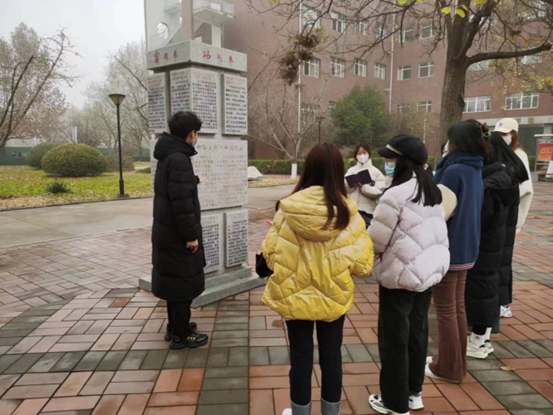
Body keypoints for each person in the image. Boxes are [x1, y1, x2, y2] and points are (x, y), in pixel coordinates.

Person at [262, 143, 374, 415]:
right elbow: (362, 265)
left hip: (294, 296)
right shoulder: (349, 214)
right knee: (332, 358)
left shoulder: (286, 210)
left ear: (307, 169)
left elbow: (271, 257)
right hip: (334, 297)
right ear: (338, 171)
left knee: (300, 359)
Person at [367, 135, 449, 415]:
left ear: (402, 162)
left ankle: (394, 402)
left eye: (390, 159)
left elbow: (377, 240)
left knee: (394, 340)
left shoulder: (395, 194)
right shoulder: (431, 190)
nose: (388, 163)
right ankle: (414, 393)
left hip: (399, 276)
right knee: (417, 333)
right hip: (426, 274)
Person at [426, 120, 489, 383]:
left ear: (457, 143)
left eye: (450, 139)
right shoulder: (475, 169)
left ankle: (448, 368)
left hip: (450, 247)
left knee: (445, 310)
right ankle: (457, 363)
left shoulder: (453, 171)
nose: (447, 144)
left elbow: (439, 212)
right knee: (457, 308)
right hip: (468, 247)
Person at [466, 132, 528, 359]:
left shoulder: (492, 182)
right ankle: (484, 339)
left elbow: (483, 216)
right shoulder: (508, 175)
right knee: (490, 288)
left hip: (487, 244)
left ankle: (478, 341)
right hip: (500, 243)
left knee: (481, 291)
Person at [151, 111, 208, 350]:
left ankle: (175, 327)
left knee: (174, 286)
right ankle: (182, 335)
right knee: (183, 287)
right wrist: (191, 237)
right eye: (196, 133)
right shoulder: (180, 159)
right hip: (178, 237)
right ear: (191, 133)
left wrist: (191, 181)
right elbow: (182, 206)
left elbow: (173, 190)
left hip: (166, 234)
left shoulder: (168, 155)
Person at [493, 118, 534, 319]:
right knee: (495, 260)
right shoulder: (495, 153)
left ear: (514, 134)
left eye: (506, 134)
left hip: (510, 214)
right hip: (496, 214)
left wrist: (518, 220)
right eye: (499, 134)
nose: (502, 138)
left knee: (503, 260)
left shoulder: (519, 156)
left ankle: (504, 303)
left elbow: (526, 190)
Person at [345, 144, 387, 228]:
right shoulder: (351, 171)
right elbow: (345, 189)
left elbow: (379, 192)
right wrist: (352, 184)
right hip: (352, 211)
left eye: (364, 153)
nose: (362, 155)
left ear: (369, 154)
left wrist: (363, 188)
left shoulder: (376, 172)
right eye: (359, 153)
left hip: (368, 213)